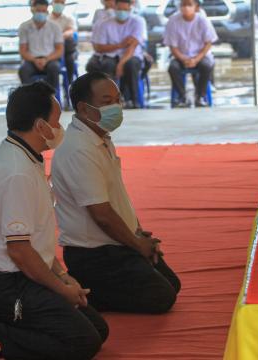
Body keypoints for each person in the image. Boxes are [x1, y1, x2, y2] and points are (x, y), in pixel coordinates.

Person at [0, 81, 108, 360]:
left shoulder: (27, 156)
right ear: (40, 125)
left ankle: (7, 324)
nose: (60, 127)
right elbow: (19, 250)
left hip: (25, 273)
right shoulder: (16, 172)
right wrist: (61, 290)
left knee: (98, 329)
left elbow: (35, 241)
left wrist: (63, 277)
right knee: (83, 342)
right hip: (3, 284)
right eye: (57, 120)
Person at [52, 72, 181, 314]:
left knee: (172, 285)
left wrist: (139, 234)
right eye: (106, 101)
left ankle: (96, 286)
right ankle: (79, 290)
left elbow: (117, 196)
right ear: (83, 108)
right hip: (95, 254)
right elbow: (101, 214)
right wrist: (137, 245)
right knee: (161, 297)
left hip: (117, 243)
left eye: (117, 99)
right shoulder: (79, 149)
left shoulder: (99, 136)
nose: (116, 107)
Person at [88, 0, 145, 108]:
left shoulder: (138, 21)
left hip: (131, 55)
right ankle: (111, 101)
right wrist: (120, 45)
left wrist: (121, 64)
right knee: (107, 65)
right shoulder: (105, 24)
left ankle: (134, 100)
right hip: (110, 54)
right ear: (114, 8)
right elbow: (99, 47)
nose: (122, 12)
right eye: (119, 9)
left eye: (125, 10)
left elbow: (132, 46)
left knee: (131, 65)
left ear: (130, 9)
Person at [163, 0, 218, 107]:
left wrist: (196, 59)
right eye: (183, 5)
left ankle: (200, 96)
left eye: (189, 5)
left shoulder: (203, 20)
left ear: (196, 7)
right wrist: (183, 59)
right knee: (173, 68)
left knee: (206, 66)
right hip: (180, 56)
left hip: (200, 56)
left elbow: (208, 43)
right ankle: (182, 97)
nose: (186, 7)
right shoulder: (173, 20)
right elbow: (172, 46)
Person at [18, 0, 63, 89]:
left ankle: (51, 97)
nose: (41, 13)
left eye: (43, 11)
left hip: (50, 59)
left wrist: (46, 59)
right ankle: (30, 97)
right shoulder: (24, 27)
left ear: (47, 12)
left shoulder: (55, 27)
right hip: (31, 60)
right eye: (38, 11)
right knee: (23, 70)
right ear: (32, 10)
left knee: (54, 68)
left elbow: (59, 50)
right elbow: (23, 51)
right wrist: (35, 60)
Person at [48, 0, 78, 85]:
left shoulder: (69, 18)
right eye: (57, 2)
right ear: (52, 3)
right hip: (51, 50)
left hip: (67, 50)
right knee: (53, 66)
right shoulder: (47, 18)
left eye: (62, 2)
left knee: (70, 59)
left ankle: (70, 84)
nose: (59, 4)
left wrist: (59, 37)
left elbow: (70, 31)